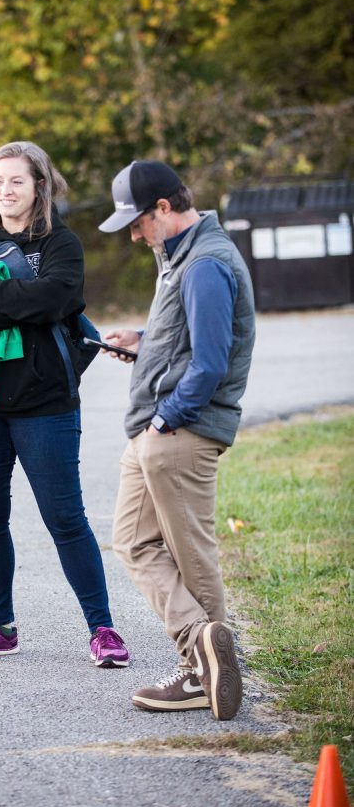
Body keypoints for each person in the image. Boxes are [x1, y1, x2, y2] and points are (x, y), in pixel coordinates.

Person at [0, 142, 130, 666]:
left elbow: (55, 300)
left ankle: (103, 629)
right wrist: (21, 306)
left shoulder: (62, 244)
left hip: (46, 404)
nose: (5, 191)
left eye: (16, 181)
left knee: (65, 519)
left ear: (39, 185)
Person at [98, 160, 255, 720]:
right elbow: (188, 339)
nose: (135, 236)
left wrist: (166, 420)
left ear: (164, 208)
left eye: (137, 223)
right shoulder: (181, 257)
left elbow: (211, 362)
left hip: (181, 432)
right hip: (156, 429)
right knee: (132, 542)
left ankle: (199, 671)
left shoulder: (205, 263)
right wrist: (145, 342)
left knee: (190, 553)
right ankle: (202, 645)